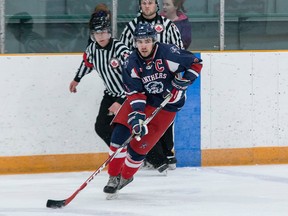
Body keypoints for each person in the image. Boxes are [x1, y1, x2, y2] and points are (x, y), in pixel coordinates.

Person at [103, 23, 202, 198]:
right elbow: (135, 93)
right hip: (143, 100)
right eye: (140, 41)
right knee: (119, 136)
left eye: (147, 41)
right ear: (135, 42)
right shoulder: (130, 62)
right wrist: (138, 116)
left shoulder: (169, 53)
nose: (143, 45)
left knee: (138, 149)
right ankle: (112, 176)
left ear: (153, 41)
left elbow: (196, 63)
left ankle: (125, 177)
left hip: (168, 105)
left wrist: (185, 82)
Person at [120, 0, 184, 172]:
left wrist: (176, 77)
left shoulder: (168, 25)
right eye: (144, 3)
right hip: (142, 80)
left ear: (156, 5)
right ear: (140, 6)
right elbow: (123, 52)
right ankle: (150, 154)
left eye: (150, 2)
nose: (147, 6)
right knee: (145, 117)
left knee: (165, 117)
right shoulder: (131, 27)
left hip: (164, 78)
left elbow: (179, 50)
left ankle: (168, 153)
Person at [69, 5, 130, 147]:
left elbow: (134, 76)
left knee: (130, 126)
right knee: (101, 127)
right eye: (97, 33)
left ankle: (156, 158)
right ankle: (121, 154)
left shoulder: (120, 49)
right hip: (110, 94)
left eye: (103, 32)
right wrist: (77, 79)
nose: (101, 36)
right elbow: (87, 63)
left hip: (128, 94)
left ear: (109, 32)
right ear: (93, 35)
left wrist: (121, 100)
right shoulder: (92, 49)